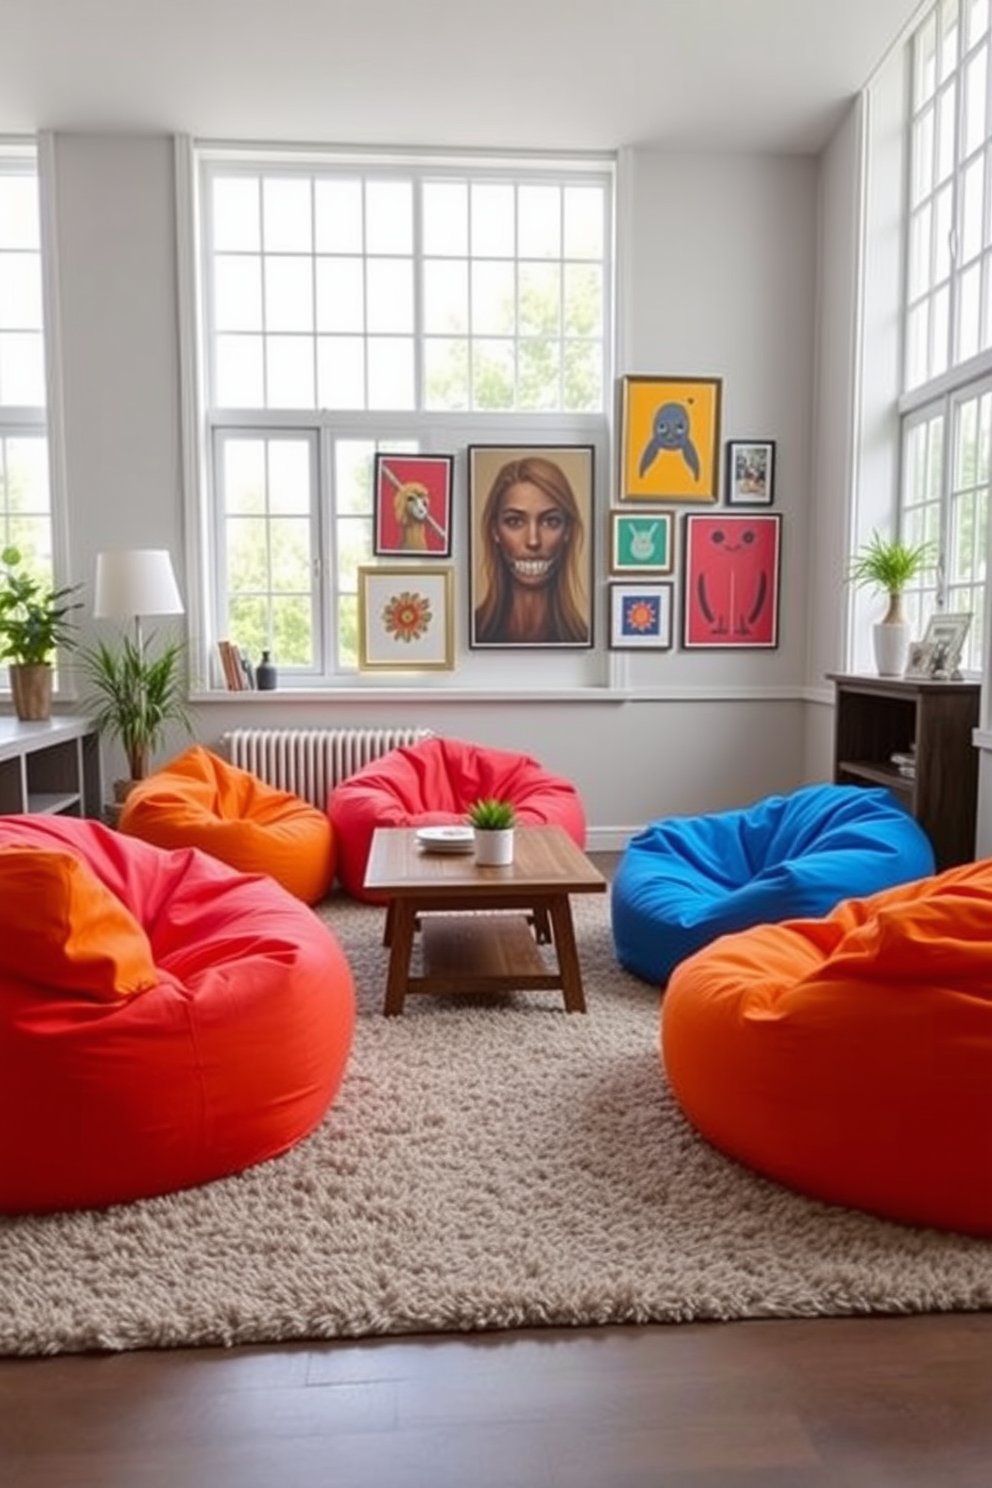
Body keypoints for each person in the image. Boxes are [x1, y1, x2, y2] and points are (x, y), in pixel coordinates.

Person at [473, 455, 590, 645]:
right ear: (495, 531)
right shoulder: (468, 632)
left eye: (550, 521)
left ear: (567, 530)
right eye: (515, 522)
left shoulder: (583, 639)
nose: (533, 541)